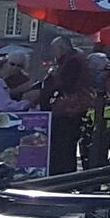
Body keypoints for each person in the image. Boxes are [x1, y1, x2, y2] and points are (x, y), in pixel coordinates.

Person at [39, 41, 95, 176]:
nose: (53, 53)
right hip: (72, 110)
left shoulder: (72, 63)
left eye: (54, 49)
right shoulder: (75, 60)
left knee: (63, 145)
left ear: (62, 48)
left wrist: (53, 76)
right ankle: (64, 174)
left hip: (68, 111)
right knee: (66, 146)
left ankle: (62, 176)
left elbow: (67, 85)